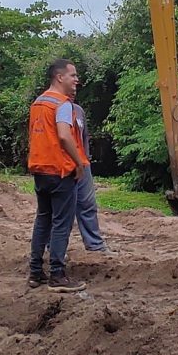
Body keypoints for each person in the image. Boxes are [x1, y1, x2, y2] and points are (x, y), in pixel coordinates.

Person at [26, 59, 88, 293]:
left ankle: (35, 272)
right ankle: (57, 275)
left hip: (40, 169)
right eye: (73, 75)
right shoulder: (62, 104)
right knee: (61, 224)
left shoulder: (38, 102)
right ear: (60, 77)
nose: (76, 80)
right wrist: (78, 163)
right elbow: (63, 135)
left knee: (43, 219)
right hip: (60, 171)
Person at [70, 97, 115, 255]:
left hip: (82, 164)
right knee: (61, 209)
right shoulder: (55, 110)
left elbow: (84, 138)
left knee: (88, 204)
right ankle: (54, 247)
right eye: (72, 84)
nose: (75, 87)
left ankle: (94, 244)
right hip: (63, 165)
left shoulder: (79, 111)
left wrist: (85, 160)